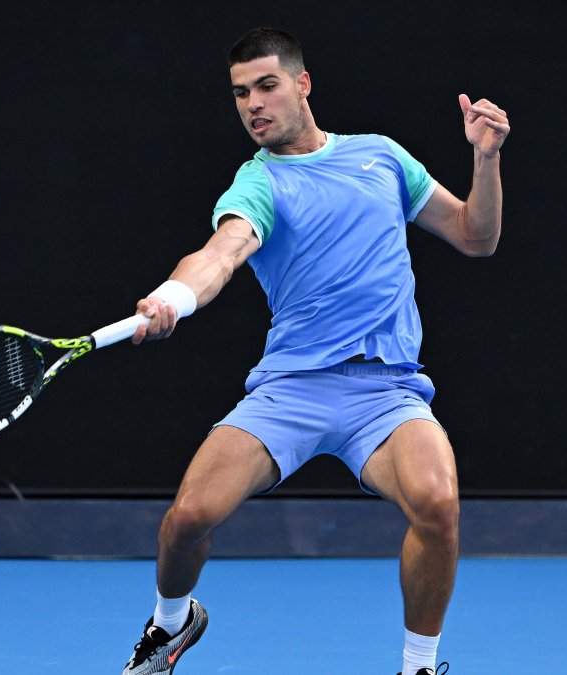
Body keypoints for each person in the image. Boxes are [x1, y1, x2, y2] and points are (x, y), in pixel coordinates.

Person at [120, 26, 508, 675]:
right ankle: (170, 624)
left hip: (386, 392)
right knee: (187, 518)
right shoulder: (259, 183)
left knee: (438, 503)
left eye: (266, 86)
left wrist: (487, 160)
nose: (253, 104)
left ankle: (419, 667)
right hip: (291, 390)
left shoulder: (381, 158)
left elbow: (475, 236)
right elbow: (220, 255)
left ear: (302, 84)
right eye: (241, 92)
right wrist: (173, 296)